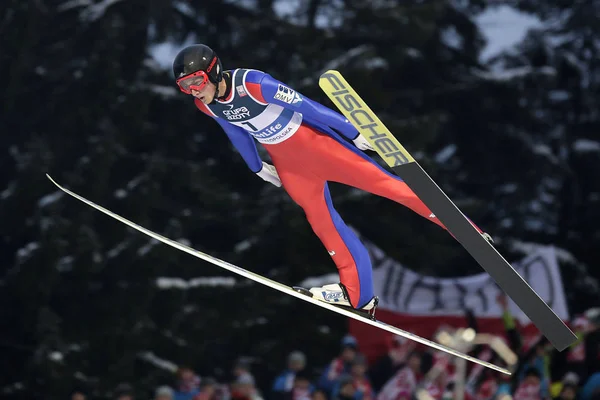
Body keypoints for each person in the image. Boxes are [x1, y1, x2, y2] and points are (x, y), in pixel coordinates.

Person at [171, 44, 491, 313]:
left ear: (213, 70)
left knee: (389, 187)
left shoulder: (254, 84)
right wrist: (255, 166)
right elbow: (234, 130)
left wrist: (353, 132)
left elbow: (309, 107)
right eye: (186, 87)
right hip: (289, 165)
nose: (194, 91)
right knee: (323, 224)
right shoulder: (206, 105)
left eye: (196, 81)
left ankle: (466, 230)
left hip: (319, 146)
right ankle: (358, 295)